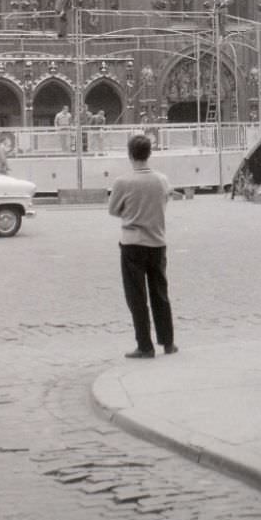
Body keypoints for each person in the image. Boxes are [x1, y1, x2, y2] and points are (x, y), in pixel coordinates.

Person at [108, 133, 178, 359]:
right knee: (160, 292)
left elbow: (113, 210)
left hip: (132, 243)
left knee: (136, 297)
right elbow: (165, 201)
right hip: (157, 242)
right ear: (149, 153)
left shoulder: (122, 182)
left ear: (130, 155)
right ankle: (168, 342)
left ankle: (145, 345)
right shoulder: (162, 180)